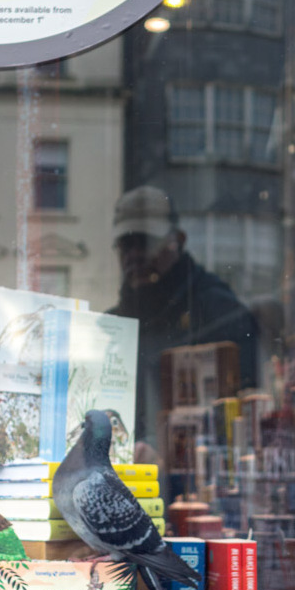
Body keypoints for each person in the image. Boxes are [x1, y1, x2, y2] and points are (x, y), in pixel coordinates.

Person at [107, 186, 259, 457]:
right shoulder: (112, 327)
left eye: (145, 242)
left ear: (177, 240)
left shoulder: (217, 309)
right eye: (126, 245)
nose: (135, 255)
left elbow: (243, 411)